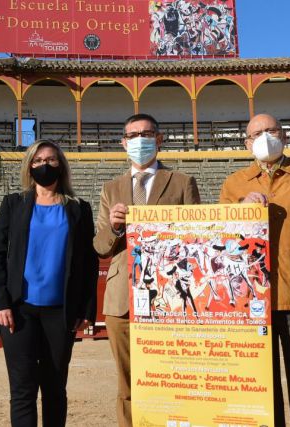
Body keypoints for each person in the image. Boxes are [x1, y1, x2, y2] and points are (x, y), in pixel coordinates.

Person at [219, 113, 290, 427]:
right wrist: (240, 208)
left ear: (284, 136)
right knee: (260, 382)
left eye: (270, 130)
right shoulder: (233, 184)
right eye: (256, 133)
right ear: (246, 143)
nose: (264, 137)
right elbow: (221, 239)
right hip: (252, 300)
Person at [94, 113, 200, 427]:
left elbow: (196, 238)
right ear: (124, 143)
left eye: (147, 133)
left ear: (159, 138)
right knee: (126, 382)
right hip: (121, 298)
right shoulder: (111, 188)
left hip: (169, 295)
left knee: (169, 377)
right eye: (134, 135)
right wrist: (113, 228)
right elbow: (100, 247)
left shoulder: (182, 182)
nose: (140, 139)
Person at [0, 140, 98, 427]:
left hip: (60, 311)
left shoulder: (78, 209)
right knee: (22, 390)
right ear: (29, 167)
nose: (43, 165)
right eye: (37, 161)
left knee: (55, 388)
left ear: (61, 164)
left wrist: (86, 308)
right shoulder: (14, 204)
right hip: (19, 309)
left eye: (50, 159)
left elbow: (88, 262)